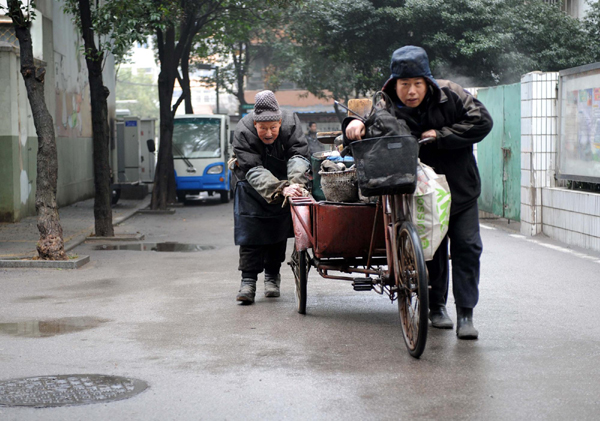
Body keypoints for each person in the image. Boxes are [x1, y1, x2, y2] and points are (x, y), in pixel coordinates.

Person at [344, 46, 493, 339]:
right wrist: (354, 123)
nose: (411, 91)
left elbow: (482, 121)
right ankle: (436, 307)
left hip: (460, 189)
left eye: (417, 84)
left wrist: (441, 135)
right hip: (419, 192)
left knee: (467, 247)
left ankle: (466, 314)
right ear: (393, 84)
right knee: (431, 251)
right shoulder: (385, 105)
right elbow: (366, 126)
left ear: (427, 81)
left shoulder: (452, 94)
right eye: (404, 84)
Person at [231, 90, 310, 304]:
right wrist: (279, 188)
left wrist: (295, 184)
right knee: (251, 235)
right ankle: (247, 282)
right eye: (263, 128)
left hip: (284, 183)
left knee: (278, 233)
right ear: (255, 124)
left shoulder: (291, 123)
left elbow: (298, 156)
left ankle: (272, 277)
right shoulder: (243, 130)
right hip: (251, 185)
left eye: (273, 128)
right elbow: (253, 169)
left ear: (280, 122)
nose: (268, 133)